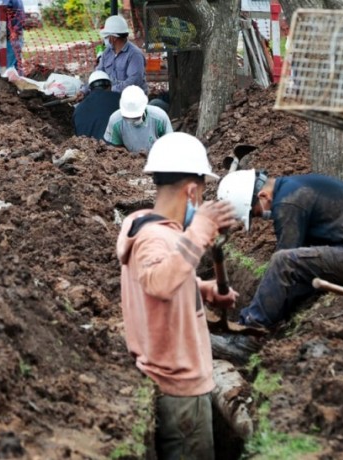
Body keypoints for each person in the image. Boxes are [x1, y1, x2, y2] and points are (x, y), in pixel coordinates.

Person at [117, 132, 238, 459]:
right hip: (179, 388)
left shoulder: (149, 228)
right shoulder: (155, 238)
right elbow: (158, 282)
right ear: (192, 191)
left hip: (173, 384)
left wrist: (202, 289)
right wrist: (199, 231)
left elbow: (155, 286)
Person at [217, 170, 343, 329]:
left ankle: (250, 329)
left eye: (256, 213)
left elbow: (286, 259)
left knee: (283, 261)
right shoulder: (294, 187)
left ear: (263, 196)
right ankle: (266, 318)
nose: (263, 217)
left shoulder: (288, 201)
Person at [77, 15, 146, 99]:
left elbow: (133, 82)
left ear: (113, 38)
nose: (105, 39)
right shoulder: (107, 52)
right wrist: (84, 91)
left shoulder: (134, 55)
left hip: (131, 100)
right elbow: (98, 74)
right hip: (111, 97)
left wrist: (109, 91)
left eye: (106, 36)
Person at [104, 85, 172, 155]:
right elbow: (116, 149)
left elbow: (170, 145)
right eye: (129, 117)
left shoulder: (159, 117)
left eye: (136, 117)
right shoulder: (115, 121)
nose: (133, 120)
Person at [72, 70, 121, 140]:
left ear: (90, 89)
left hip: (87, 149)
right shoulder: (120, 99)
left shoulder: (78, 109)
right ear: (110, 86)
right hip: (116, 149)